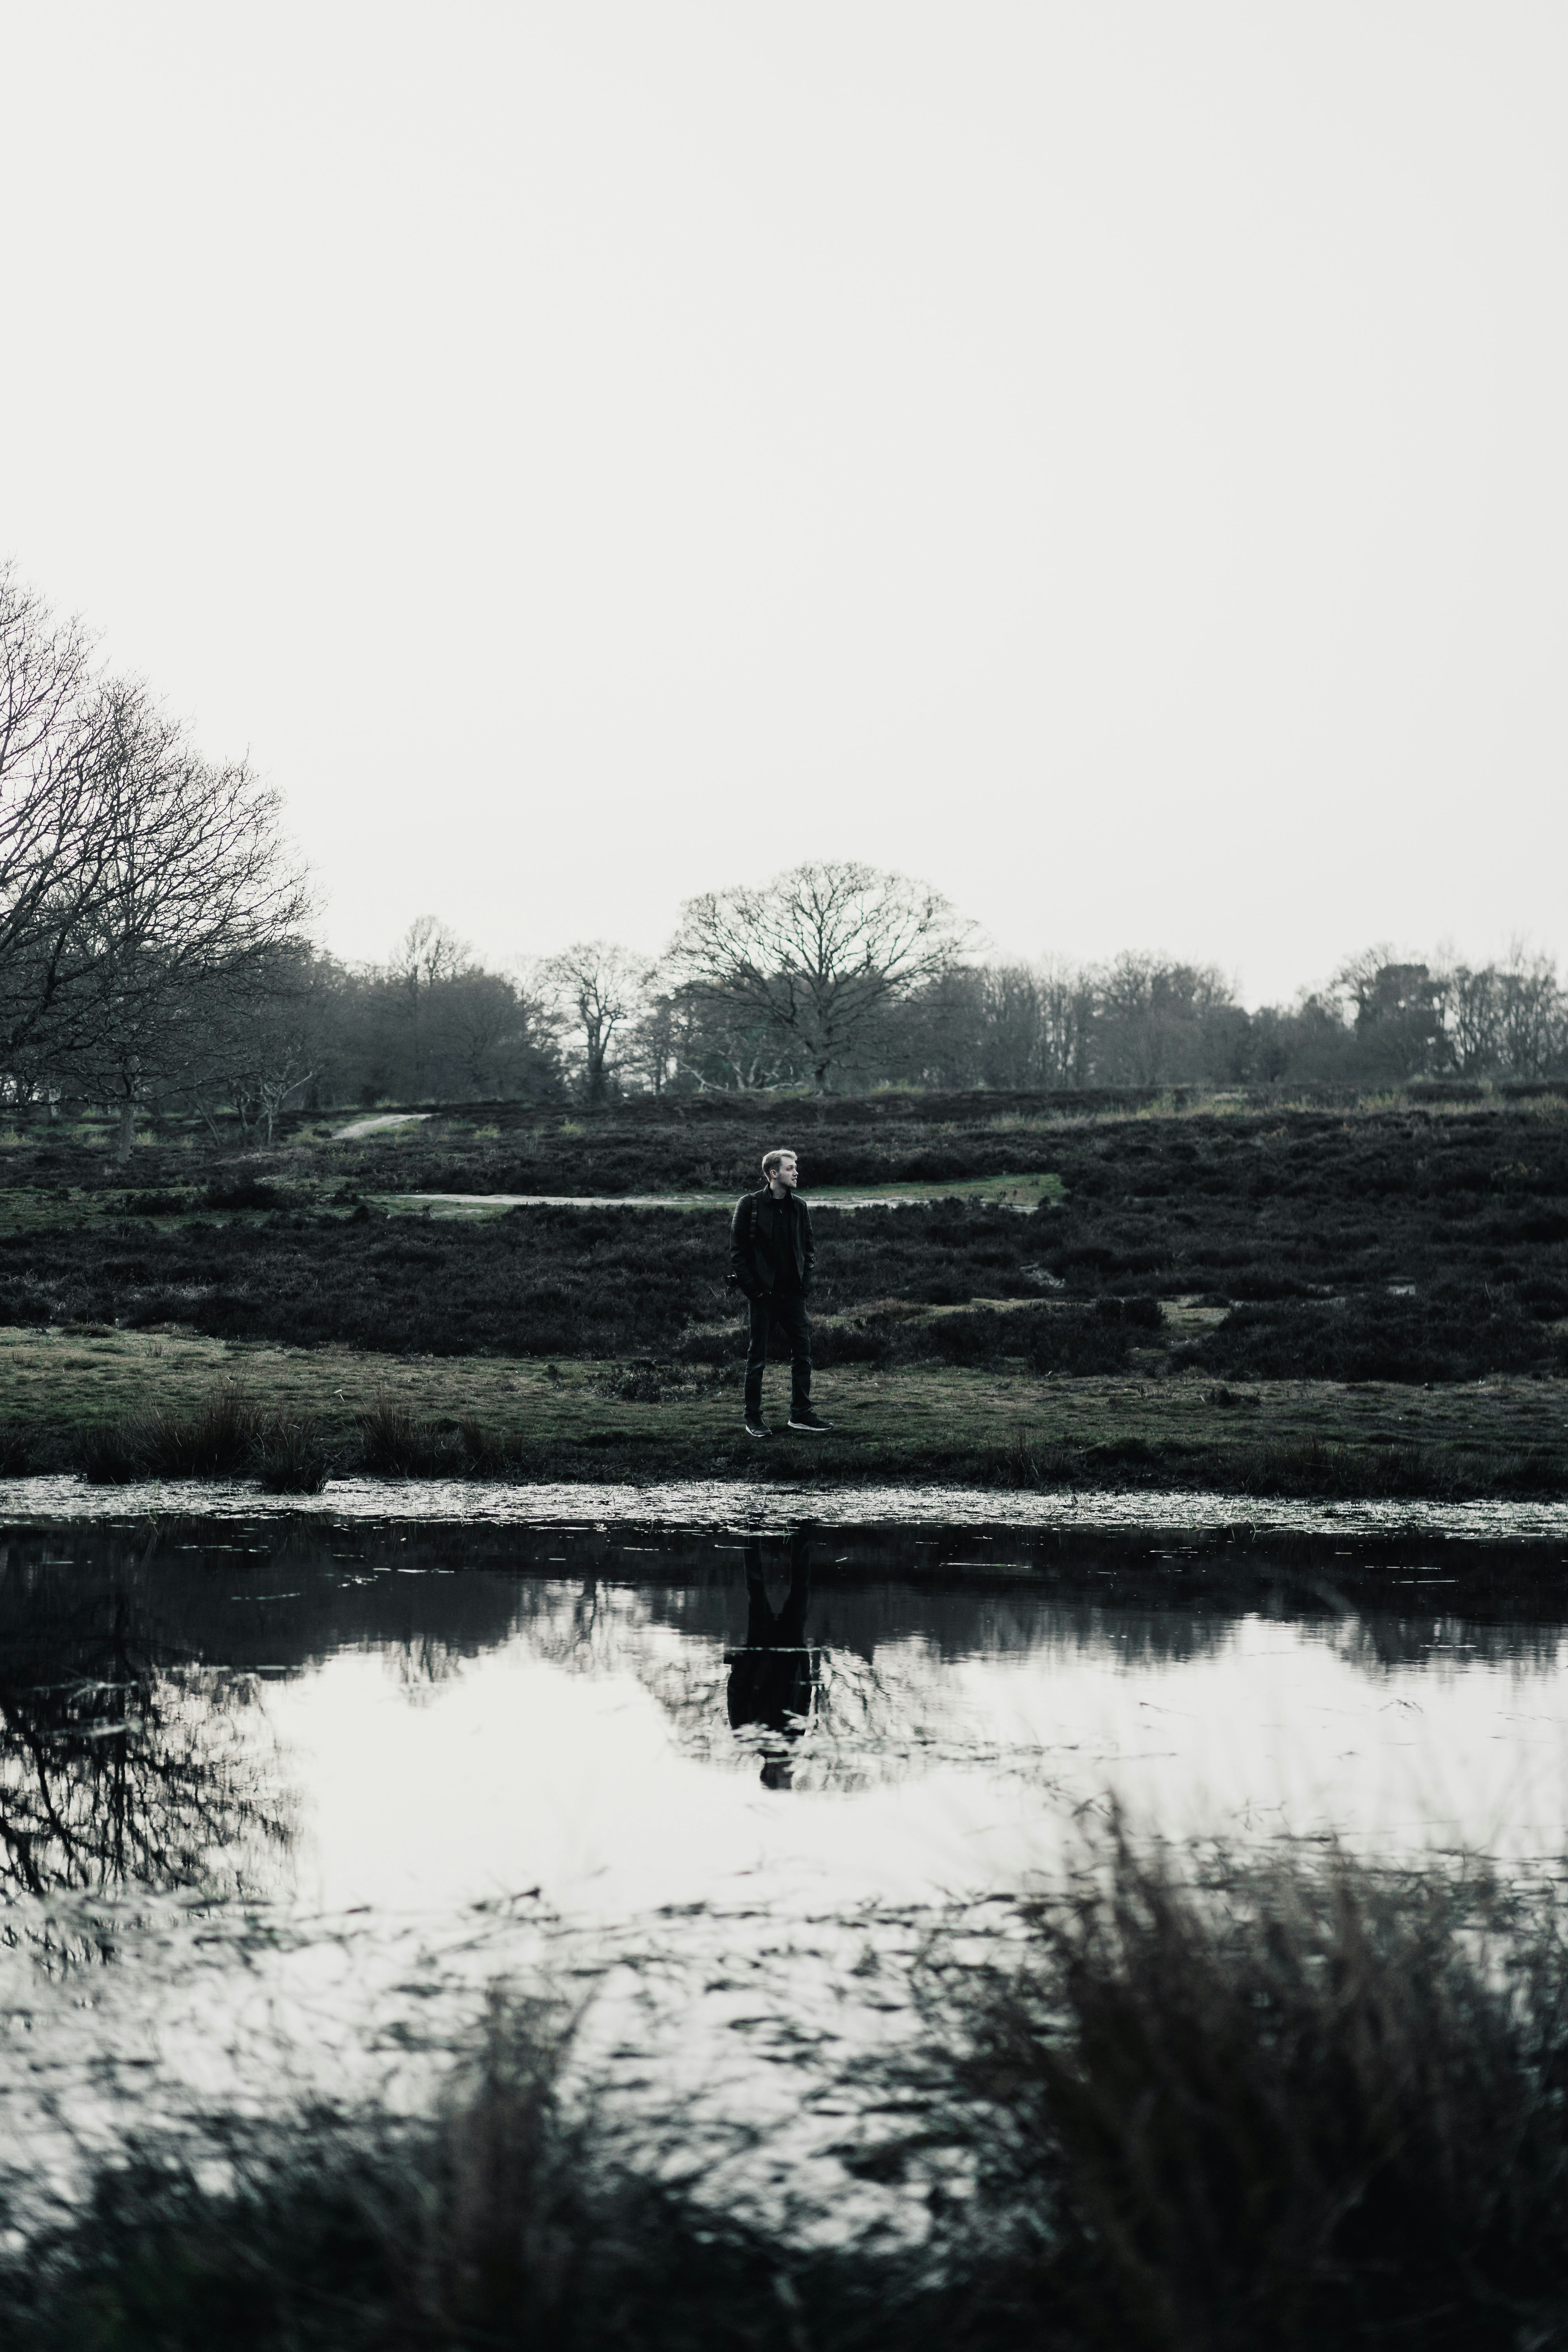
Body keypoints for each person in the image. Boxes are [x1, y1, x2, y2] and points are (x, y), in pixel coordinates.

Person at [730, 1147, 832, 1437]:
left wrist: (805, 1283)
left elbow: (809, 1248)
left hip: (794, 1296)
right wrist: (755, 1292)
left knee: (803, 1354)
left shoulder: (799, 1206)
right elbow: (738, 1253)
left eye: (795, 1167)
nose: (796, 1172)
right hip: (764, 1297)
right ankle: (753, 1418)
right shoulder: (748, 1205)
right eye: (790, 1168)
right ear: (774, 1174)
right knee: (757, 1358)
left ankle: (801, 1414)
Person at [725, 1532, 817, 1788]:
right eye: (791, 1779)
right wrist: (804, 1663)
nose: (791, 1774)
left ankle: (752, 1530)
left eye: (786, 1778)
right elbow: (804, 1697)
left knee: (756, 1587)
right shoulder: (795, 1740)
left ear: (771, 1772)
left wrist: (749, 1659)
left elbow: (736, 1691)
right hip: (791, 1650)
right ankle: (801, 1531)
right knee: (802, 1588)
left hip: (761, 1649)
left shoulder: (748, 1738)